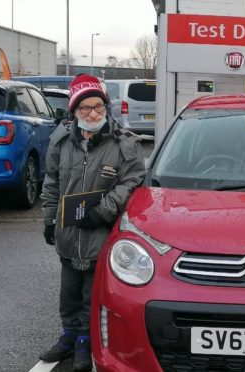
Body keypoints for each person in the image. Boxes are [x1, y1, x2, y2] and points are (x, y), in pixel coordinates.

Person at [39, 74, 145, 371]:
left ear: (105, 107)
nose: (92, 113)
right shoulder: (61, 141)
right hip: (68, 235)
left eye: (97, 106)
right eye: (84, 108)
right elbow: (51, 182)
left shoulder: (124, 144)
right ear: (74, 112)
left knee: (91, 293)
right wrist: (50, 219)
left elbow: (133, 180)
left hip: (100, 234)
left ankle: (86, 339)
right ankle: (69, 335)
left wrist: (104, 210)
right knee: (68, 292)